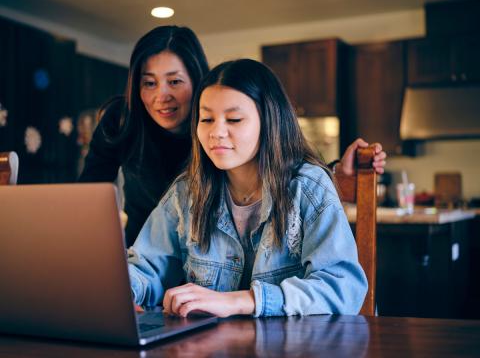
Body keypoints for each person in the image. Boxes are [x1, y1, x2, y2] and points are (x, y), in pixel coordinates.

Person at [79, 25, 386, 247]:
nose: (162, 96)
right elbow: (87, 196)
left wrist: (333, 175)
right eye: (149, 83)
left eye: (174, 81)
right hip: (150, 258)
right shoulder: (123, 122)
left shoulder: (220, 135)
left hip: (203, 264)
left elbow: (281, 169)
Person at [127, 59, 367, 318]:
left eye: (234, 119)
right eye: (206, 118)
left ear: (270, 121)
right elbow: (145, 267)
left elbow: (343, 288)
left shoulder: (308, 186)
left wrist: (242, 301)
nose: (216, 132)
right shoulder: (186, 193)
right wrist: (124, 292)